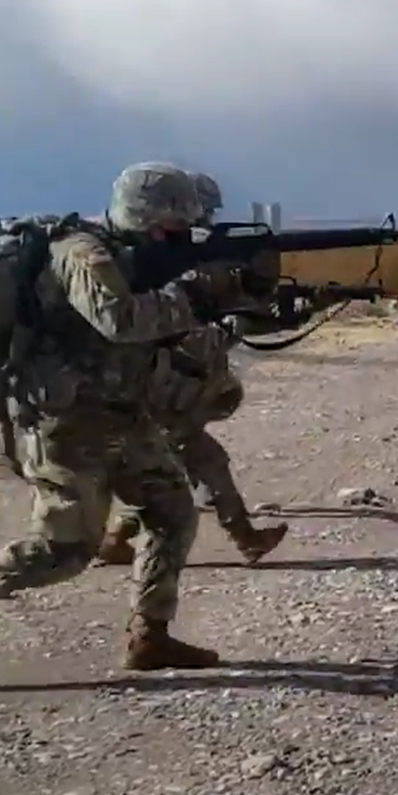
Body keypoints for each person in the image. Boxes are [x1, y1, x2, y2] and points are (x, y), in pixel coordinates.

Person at [0, 161, 243, 675]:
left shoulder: (132, 255)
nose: (174, 239)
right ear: (140, 215)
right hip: (62, 422)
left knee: (173, 510)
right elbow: (119, 320)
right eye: (169, 227)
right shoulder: (80, 253)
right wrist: (192, 295)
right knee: (66, 549)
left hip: (120, 411)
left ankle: (149, 636)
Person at [98, 170, 287, 569]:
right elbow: (176, 324)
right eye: (198, 214)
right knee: (205, 462)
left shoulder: (172, 258)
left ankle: (115, 540)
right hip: (156, 385)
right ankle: (246, 538)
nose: (205, 223)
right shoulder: (140, 263)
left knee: (169, 469)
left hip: (161, 383)